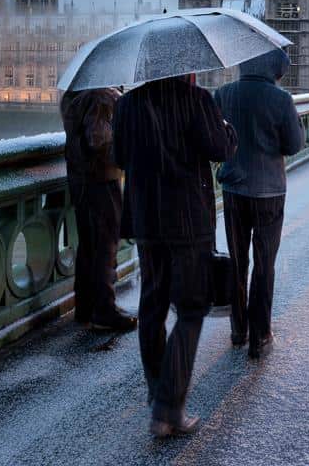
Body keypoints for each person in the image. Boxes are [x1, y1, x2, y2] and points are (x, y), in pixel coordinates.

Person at [113, 75, 237, 438]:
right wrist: (228, 129)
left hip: (147, 220)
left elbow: (119, 156)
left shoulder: (127, 104)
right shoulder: (196, 99)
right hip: (187, 220)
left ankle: (157, 393)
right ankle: (169, 406)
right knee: (192, 307)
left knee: (152, 306)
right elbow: (220, 148)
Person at [214, 49, 305, 359]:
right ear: (275, 70)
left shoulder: (224, 93)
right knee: (264, 265)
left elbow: (215, 139)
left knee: (238, 263)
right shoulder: (281, 100)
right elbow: (293, 145)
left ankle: (238, 330)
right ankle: (260, 335)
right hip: (269, 192)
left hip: (234, 190)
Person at [60, 87, 138, 332]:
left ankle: (85, 306)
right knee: (106, 244)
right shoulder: (103, 98)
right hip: (101, 179)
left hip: (80, 179)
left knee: (88, 245)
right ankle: (105, 309)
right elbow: (99, 139)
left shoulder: (73, 98)